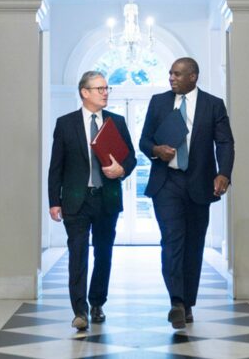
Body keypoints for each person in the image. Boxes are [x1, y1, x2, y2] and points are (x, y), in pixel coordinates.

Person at [139, 57, 234, 329]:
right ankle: (176, 302)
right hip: (166, 182)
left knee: (194, 244)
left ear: (193, 76)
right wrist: (156, 150)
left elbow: (225, 142)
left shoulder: (212, 105)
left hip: (198, 184)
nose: (171, 78)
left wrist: (224, 173)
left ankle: (188, 302)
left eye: (177, 74)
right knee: (172, 241)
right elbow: (144, 140)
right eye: (169, 73)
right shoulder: (158, 102)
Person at [48, 71, 136, 330]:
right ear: (84, 92)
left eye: (107, 88)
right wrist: (54, 200)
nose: (105, 92)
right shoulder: (66, 123)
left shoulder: (116, 122)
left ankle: (97, 302)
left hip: (106, 199)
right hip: (76, 200)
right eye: (99, 88)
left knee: (104, 253)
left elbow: (130, 157)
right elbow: (56, 166)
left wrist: (122, 170)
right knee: (77, 254)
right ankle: (80, 310)